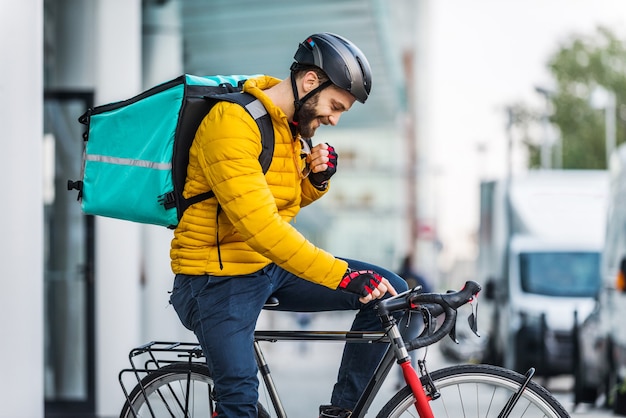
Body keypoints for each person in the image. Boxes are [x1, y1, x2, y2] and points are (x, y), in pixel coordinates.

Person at [168, 32, 408, 418]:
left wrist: (315, 182)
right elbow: (261, 226)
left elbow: (278, 205)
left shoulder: (288, 127)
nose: (334, 118)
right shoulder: (231, 123)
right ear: (310, 81)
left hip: (266, 267)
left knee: (391, 294)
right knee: (239, 399)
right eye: (335, 106)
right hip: (215, 278)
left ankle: (342, 413)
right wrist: (342, 276)